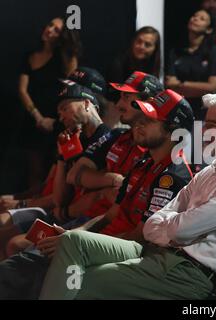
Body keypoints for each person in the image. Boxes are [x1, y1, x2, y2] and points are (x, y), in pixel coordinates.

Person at [38, 91, 216, 300]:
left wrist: (169, 229)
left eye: (212, 125)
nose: (205, 132)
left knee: (79, 280)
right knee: (72, 241)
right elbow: (155, 224)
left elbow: (180, 229)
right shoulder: (210, 170)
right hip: (157, 252)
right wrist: (169, 230)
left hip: (186, 272)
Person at [0, 88, 194, 300]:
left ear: (172, 130)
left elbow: (141, 237)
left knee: (20, 271)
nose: (139, 122)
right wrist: (74, 233)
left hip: (122, 253)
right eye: (142, 117)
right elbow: (110, 215)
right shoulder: (143, 164)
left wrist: (81, 244)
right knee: (22, 262)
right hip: (95, 242)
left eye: (150, 119)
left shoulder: (174, 176)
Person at [0, 83, 110, 258]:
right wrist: (62, 158)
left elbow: (88, 186)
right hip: (62, 215)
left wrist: (63, 210)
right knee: (8, 236)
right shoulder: (74, 140)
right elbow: (59, 196)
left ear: (87, 103)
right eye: (59, 112)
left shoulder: (108, 136)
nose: (61, 117)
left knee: (16, 244)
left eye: (65, 109)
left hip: (85, 220)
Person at [18, 16, 81, 189]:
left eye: (57, 29)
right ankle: (29, 212)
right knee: (34, 171)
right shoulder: (30, 57)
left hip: (58, 120)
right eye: (50, 25)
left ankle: (50, 212)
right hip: (34, 120)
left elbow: (71, 92)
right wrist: (38, 118)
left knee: (57, 171)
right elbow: (22, 90)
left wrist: (56, 120)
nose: (50, 30)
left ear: (62, 37)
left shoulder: (67, 59)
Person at [165, 9, 216, 120]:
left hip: (204, 113)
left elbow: (213, 86)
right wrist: (200, 89)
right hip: (178, 110)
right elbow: (170, 84)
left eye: (202, 19)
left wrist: (181, 84)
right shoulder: (176, 51)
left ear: (209, 29)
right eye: (194, 16)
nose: (195, 19)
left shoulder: (213, 52)